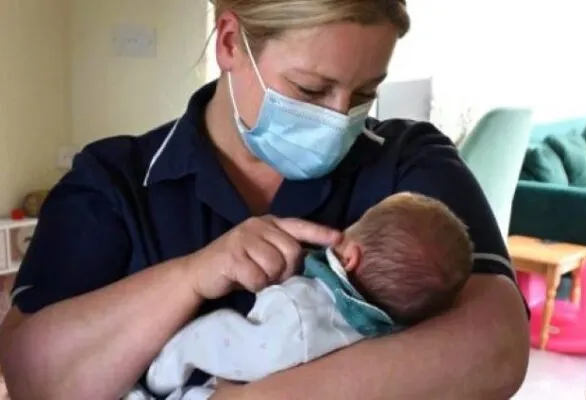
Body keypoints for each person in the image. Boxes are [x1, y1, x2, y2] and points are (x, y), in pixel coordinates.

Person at [0, 0, 530, 398]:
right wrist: (189, 276)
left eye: (366, 92)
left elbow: (497, 348)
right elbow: (31, 379)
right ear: (230, 42)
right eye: (310, 89)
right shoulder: (113, 182)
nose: (341, 116)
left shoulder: (409, 163)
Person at [143, 192, 474, 399]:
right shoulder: (376, 341)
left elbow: (218, 341)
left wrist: (162, 375)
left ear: (350, 257)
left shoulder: (300, 309)